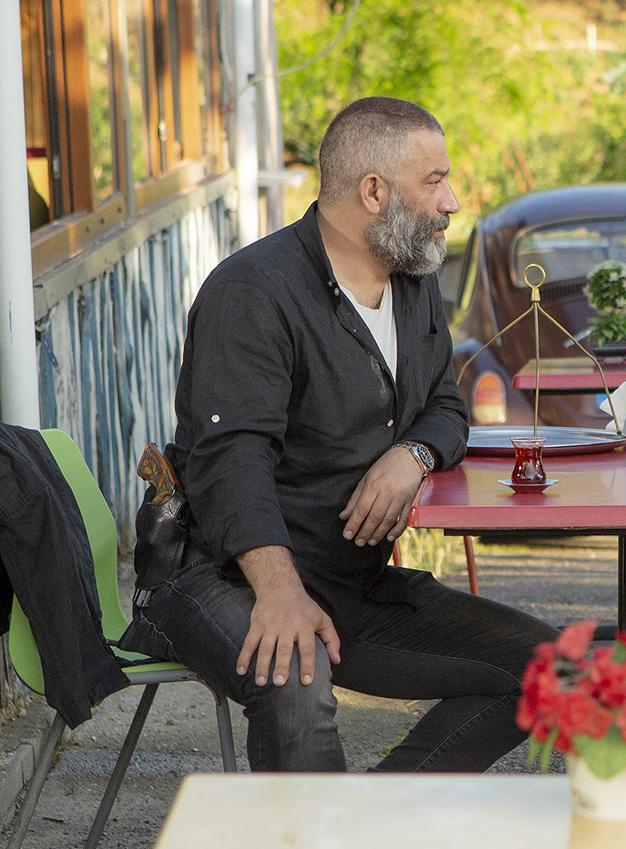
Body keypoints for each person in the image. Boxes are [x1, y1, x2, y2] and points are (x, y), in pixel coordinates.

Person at [120, 97, 557, 772]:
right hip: (219, 573)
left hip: (346, 579)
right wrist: (280, 592)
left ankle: (373, 818)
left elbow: (447, 404)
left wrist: (412, 454)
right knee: (295, 675)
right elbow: (231, 461)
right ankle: (321, 825)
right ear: (374, 192)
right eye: (435, 181)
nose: (452, 202)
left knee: (547, 665)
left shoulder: (412, 282)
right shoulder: (253, 292)